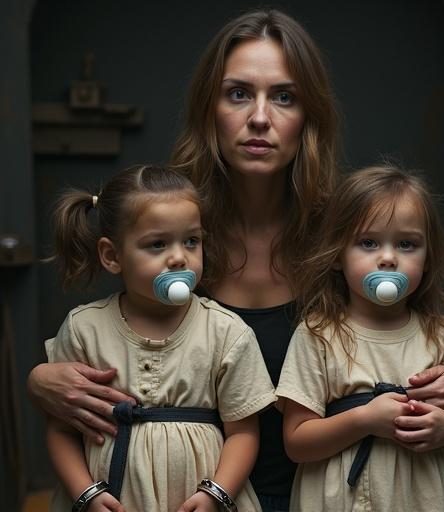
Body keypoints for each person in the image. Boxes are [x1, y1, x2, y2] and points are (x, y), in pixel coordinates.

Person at [28, 10, 444, 511]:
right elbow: (121, 339)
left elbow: (417, 333)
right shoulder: (172, 223)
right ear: (209, 108)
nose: (260, 117)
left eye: (284, 96)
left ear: (310, 114)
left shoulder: (351, 237)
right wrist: (41, 378)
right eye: (238, 93)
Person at [44, 164, 275, 512]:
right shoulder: (83, 329)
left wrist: (217, 494)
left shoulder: (227, 332)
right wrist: (86, 494)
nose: (179, 256)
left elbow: (243, 433)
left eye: (191, 241)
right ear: (112, 256)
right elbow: (61, 431)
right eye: (157, 244)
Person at [276, 165, 444, 511]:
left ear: (427, 259)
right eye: (368, 242)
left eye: (407, 244)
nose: (389, 258)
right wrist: (364, 419)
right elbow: (297, 442)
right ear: (337, 255)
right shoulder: (318, 335)